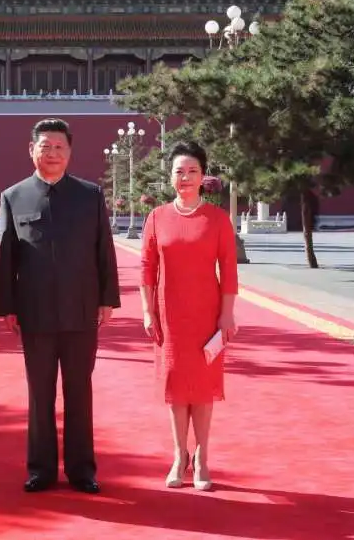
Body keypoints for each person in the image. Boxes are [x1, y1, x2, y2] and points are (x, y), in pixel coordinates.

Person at [0, 118, 120, 494]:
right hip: (35, 314)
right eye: (45, 146)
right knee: (40, 392)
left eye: (59, 147)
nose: (52, 153)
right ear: (31, 150)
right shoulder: (13, 197)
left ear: (70, 153)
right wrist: (7, 306)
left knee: (79, 391)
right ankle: (41, 469)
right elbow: (6, 258)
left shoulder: (89, 195)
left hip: (81, 311)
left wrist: (107, 299)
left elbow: (104, 250)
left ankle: (82, 470)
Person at [139, 140, 238, 491]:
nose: (185, 177)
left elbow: (228, 270)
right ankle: (180, 456)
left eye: (192, 171)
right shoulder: (157, 217)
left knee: (203, 390)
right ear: (170, 177)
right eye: (179, 171)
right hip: (170, 316)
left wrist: (227, 315)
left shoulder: (217, 219)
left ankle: (203, 458)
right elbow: (147, 267)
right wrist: (147, 311)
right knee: (176, 388)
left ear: (203, 176)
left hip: (207, 316)